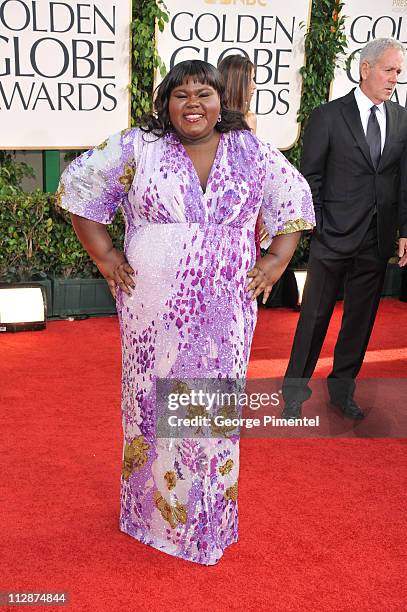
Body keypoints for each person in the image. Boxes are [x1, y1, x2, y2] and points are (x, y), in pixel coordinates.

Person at [57, 59, 314, 565]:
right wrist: (106, 257)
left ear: (222, 101)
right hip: (152, 309)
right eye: (180, 94)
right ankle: (149, 515)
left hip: (225, 308)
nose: (192, 103)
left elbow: (295, 200)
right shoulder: (138, 146)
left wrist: (277, 259)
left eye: (204, 93)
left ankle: (206, 517)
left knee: (209, 412)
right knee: (153, 404)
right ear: (165, 103)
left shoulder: (252, 151)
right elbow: (79, 190)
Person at [282, 38, 407, 420]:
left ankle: (342, 390)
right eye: (389, 70)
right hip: (332, 235)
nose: (394, 79)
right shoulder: (328, 116)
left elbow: (402, 179)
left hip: (377, 236)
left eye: (399, 72)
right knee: (315, 316)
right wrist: (318, 227)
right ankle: (293, 393)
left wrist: (403, 229)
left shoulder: (401, 118)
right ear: (365, 68)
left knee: (360, 320)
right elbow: (311, 177)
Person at [217, 54, 268, 256]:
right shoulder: (211, 118)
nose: (255, 86)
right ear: (236, 82)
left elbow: (254, 171)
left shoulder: (250, 120)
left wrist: (261, 210)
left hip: (244, 209)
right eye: (251, 80)